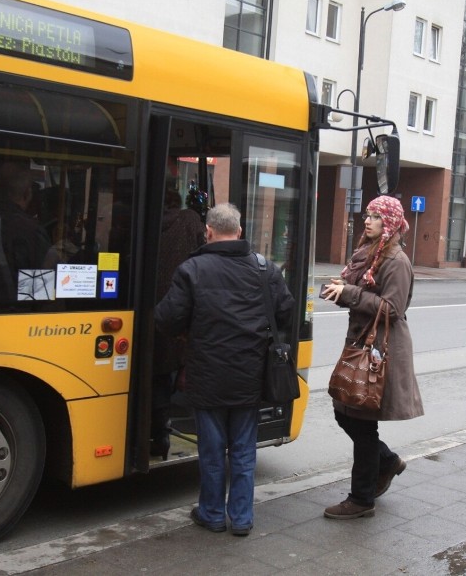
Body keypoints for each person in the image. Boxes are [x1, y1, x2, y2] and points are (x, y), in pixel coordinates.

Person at [154, 202, 294, 536]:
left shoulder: (193, 269)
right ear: (240, 232)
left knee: (212, 451)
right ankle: (242, 519)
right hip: (249, 378)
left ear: (209, 232)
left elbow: (165, 319)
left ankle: (213, 514)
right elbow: (286, 312)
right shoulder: (265, 269)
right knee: (244, 450)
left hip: (207, 377)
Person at [320, 195, 424, 519]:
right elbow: (363, 293)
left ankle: (362, 499)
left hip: (380, 349)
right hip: (363, 342)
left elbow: (393, 309)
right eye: (368, 214)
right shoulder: (367, 254)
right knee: (345, 413)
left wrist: (350, 293)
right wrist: (341, 289)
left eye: (376, 216)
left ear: (389, 223)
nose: (368, 220)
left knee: (362, 423)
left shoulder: (396, 260)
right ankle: (387, 462)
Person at [150, 188, 205, 459]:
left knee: (153, 374)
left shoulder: (141, 218)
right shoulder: (190, 220)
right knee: (165, 375)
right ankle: (161, 436)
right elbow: (203, 253)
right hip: (178, 306)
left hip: (149, 309)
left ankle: (154, 432)